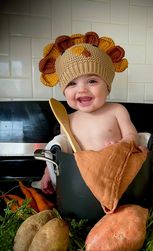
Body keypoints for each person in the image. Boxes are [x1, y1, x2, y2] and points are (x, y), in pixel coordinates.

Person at [38, 31, 142, 194]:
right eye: (72, 83)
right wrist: (48, 173)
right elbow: (61, 153)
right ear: (64, 91)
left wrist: (122, 146)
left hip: (115, 176)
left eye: (92, 81)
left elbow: (132, 136)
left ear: (107, 86)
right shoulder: (67, 120)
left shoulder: (117, 110)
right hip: (81, 184)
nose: (82, 89)